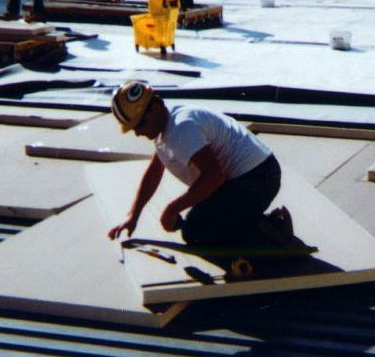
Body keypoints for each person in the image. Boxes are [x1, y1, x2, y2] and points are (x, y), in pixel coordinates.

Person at [106, 80, 282, 250]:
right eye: (133, 128)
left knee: (196, 232)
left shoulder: (181, 128)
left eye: (140, 124)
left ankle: (274, 230)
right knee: (198, 222)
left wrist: (172, 209)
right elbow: (154, 171)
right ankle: (250, 220)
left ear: (155, 107)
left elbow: (214, 176)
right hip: (248, 177)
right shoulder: (165, 125)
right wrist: (133, 216)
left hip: (258, 179)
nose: (137, 133)